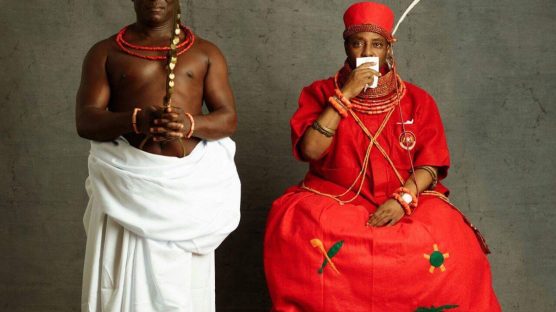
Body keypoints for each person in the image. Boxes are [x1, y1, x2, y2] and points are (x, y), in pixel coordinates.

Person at [264, 2, 501, 311]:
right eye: (357, 43)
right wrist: (345, 95)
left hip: (407, 194)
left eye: (376, 44)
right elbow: (310, 150)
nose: (367, 52)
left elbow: (430, 163)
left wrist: (403, 198)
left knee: (452, 243)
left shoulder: (418, 99)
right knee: (303, 233)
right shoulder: (319, 92)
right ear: (346, 46)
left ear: (389, 47)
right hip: (335, 196)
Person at [76, 0, 240, 311]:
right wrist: (136, 120)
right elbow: (86, 120)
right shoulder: (105, 52)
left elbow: (227, 119)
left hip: (188, 193)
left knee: (185, 291)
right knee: (122, 291)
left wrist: (189, 124)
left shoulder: (206, 52)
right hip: (126, 190)